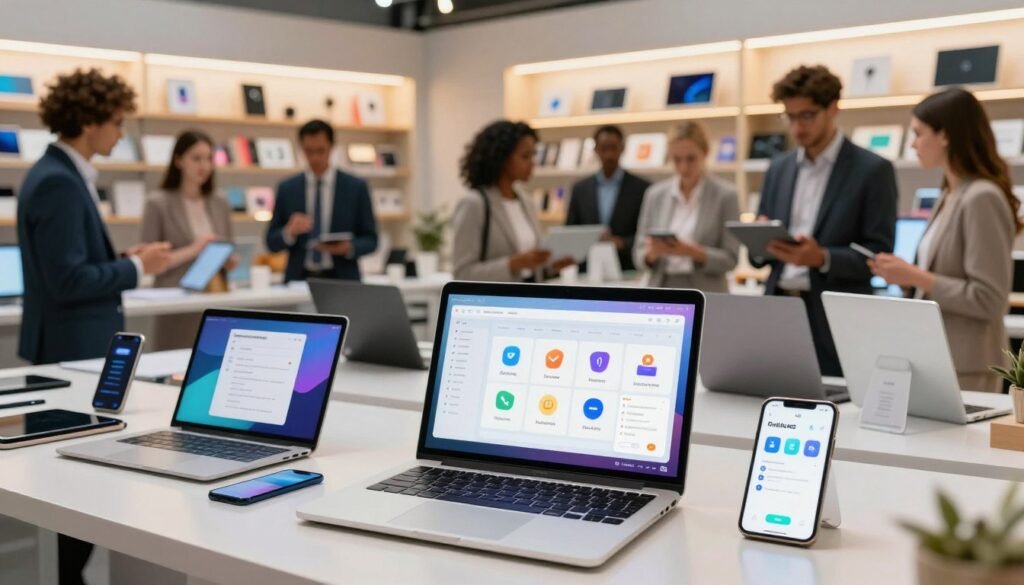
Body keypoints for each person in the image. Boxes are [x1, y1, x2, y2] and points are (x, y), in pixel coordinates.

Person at [16, 68, 169, 585]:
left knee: (73, 491)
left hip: (72, 347)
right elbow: (68, 281)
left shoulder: (57, 174)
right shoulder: (59, 181)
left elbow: (70, 266)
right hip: (73, 352)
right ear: (90, 120)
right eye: (117, 122)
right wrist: (137, 269)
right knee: (71, 496)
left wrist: (125, 257)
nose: (121, 134)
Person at [752, 65, 898, 377]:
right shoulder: (778, 168)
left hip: (836, 318)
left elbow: (878, 254)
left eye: (807, 115)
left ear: (833, 108)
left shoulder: (872, 170)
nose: (796, 128)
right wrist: (759, 239)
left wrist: (823, 258)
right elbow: (759, 258)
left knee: (839, 414)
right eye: (789, 117)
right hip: (779, 309)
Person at [869, 88, 1019, 392]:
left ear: (945, 136)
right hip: (937, 358)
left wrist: (916, 276)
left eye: (918, 133)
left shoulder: (981, 197)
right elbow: (942, 279)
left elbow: (989, 299)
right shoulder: (949, 194)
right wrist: (907, 278)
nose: (912, 144)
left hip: (967, 365)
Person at [141, 130, 236, 349]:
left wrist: (229, 260)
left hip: (216, 300)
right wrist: (195, 249)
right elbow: (148, 263)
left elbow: (229, 247)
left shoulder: (219, 201)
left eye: (208, 158)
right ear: (178, 160)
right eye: (196, 158)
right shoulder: (157, 203)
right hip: (174, 303)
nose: (203, 165)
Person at [452, 120, 574, 282]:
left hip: (529, 299)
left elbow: (529, 270)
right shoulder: (475, 204)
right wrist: (512, 264)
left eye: (533, 155)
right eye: (525, 156)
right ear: (501, 158)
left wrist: (551, 266)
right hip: (496, 303)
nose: (532, 163)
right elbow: (463, 273)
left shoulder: (526, 202)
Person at [265, 119, 378, 282]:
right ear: (301, 149)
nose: (315, 158)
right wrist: (289, 232)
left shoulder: (356, 187)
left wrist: (349, 247)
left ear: (332, 147)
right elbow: (271, 242)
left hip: (343, 280)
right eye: (309, 151)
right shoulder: (287, 188)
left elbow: (371, 240)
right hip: (299, 280)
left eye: (320, 151)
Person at [633, 122, 739, 292]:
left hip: (707, 291)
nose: (684, 167)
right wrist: (652, 254)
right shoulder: (655, 195)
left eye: (691, 158)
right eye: (677, 160)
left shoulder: (726, 196)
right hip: (662, 288)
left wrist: (692, 252)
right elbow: (638, 254)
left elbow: (731, 259)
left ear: (704, 153)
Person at [565, 125, 650, 271]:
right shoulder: (580, 189)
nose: (609, 155)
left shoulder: (642, 188)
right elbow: (570, 230)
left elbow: (647, 234)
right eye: (604, 148)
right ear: (596, 150)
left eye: (613, 148)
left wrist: (622, 243)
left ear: (622, 148)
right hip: (588, 269)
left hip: (628, 268)